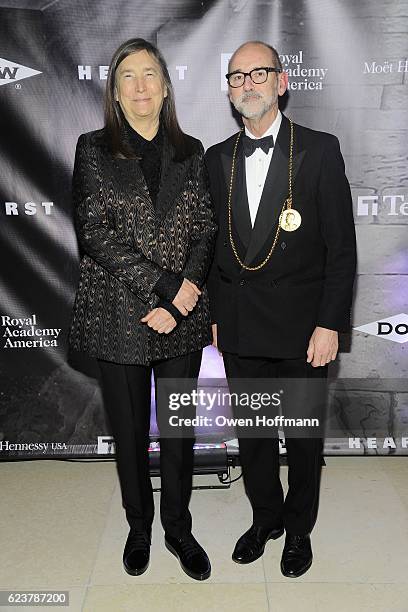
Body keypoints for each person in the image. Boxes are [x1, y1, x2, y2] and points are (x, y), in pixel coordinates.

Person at [205, 41, 356, 578]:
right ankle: (265, 517)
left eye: (258, 73)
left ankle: (299, 529)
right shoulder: (216, 157)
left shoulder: (318, 149)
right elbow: (215, 251)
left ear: (282, 81)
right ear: (228, 89)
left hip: (303, 330)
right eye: (237, 77)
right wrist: (217, 318)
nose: (247, 84)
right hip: (242, 326)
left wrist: (331, 323)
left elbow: (341, 248)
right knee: (254, 435)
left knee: (303, 435)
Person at [69, 38, 216, 581]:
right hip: (119, 315)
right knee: (130, 434)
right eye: (127, 76)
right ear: (114, 89)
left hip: (181, 317)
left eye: (149, 74)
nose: (139, 87)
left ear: (165, 85)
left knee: (178, 430)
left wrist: (180, 302)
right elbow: (94, 235)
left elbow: (205, 230)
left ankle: (178, 527)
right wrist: (163, 288)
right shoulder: (92, 148)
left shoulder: (192, 151)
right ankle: (139, 525)